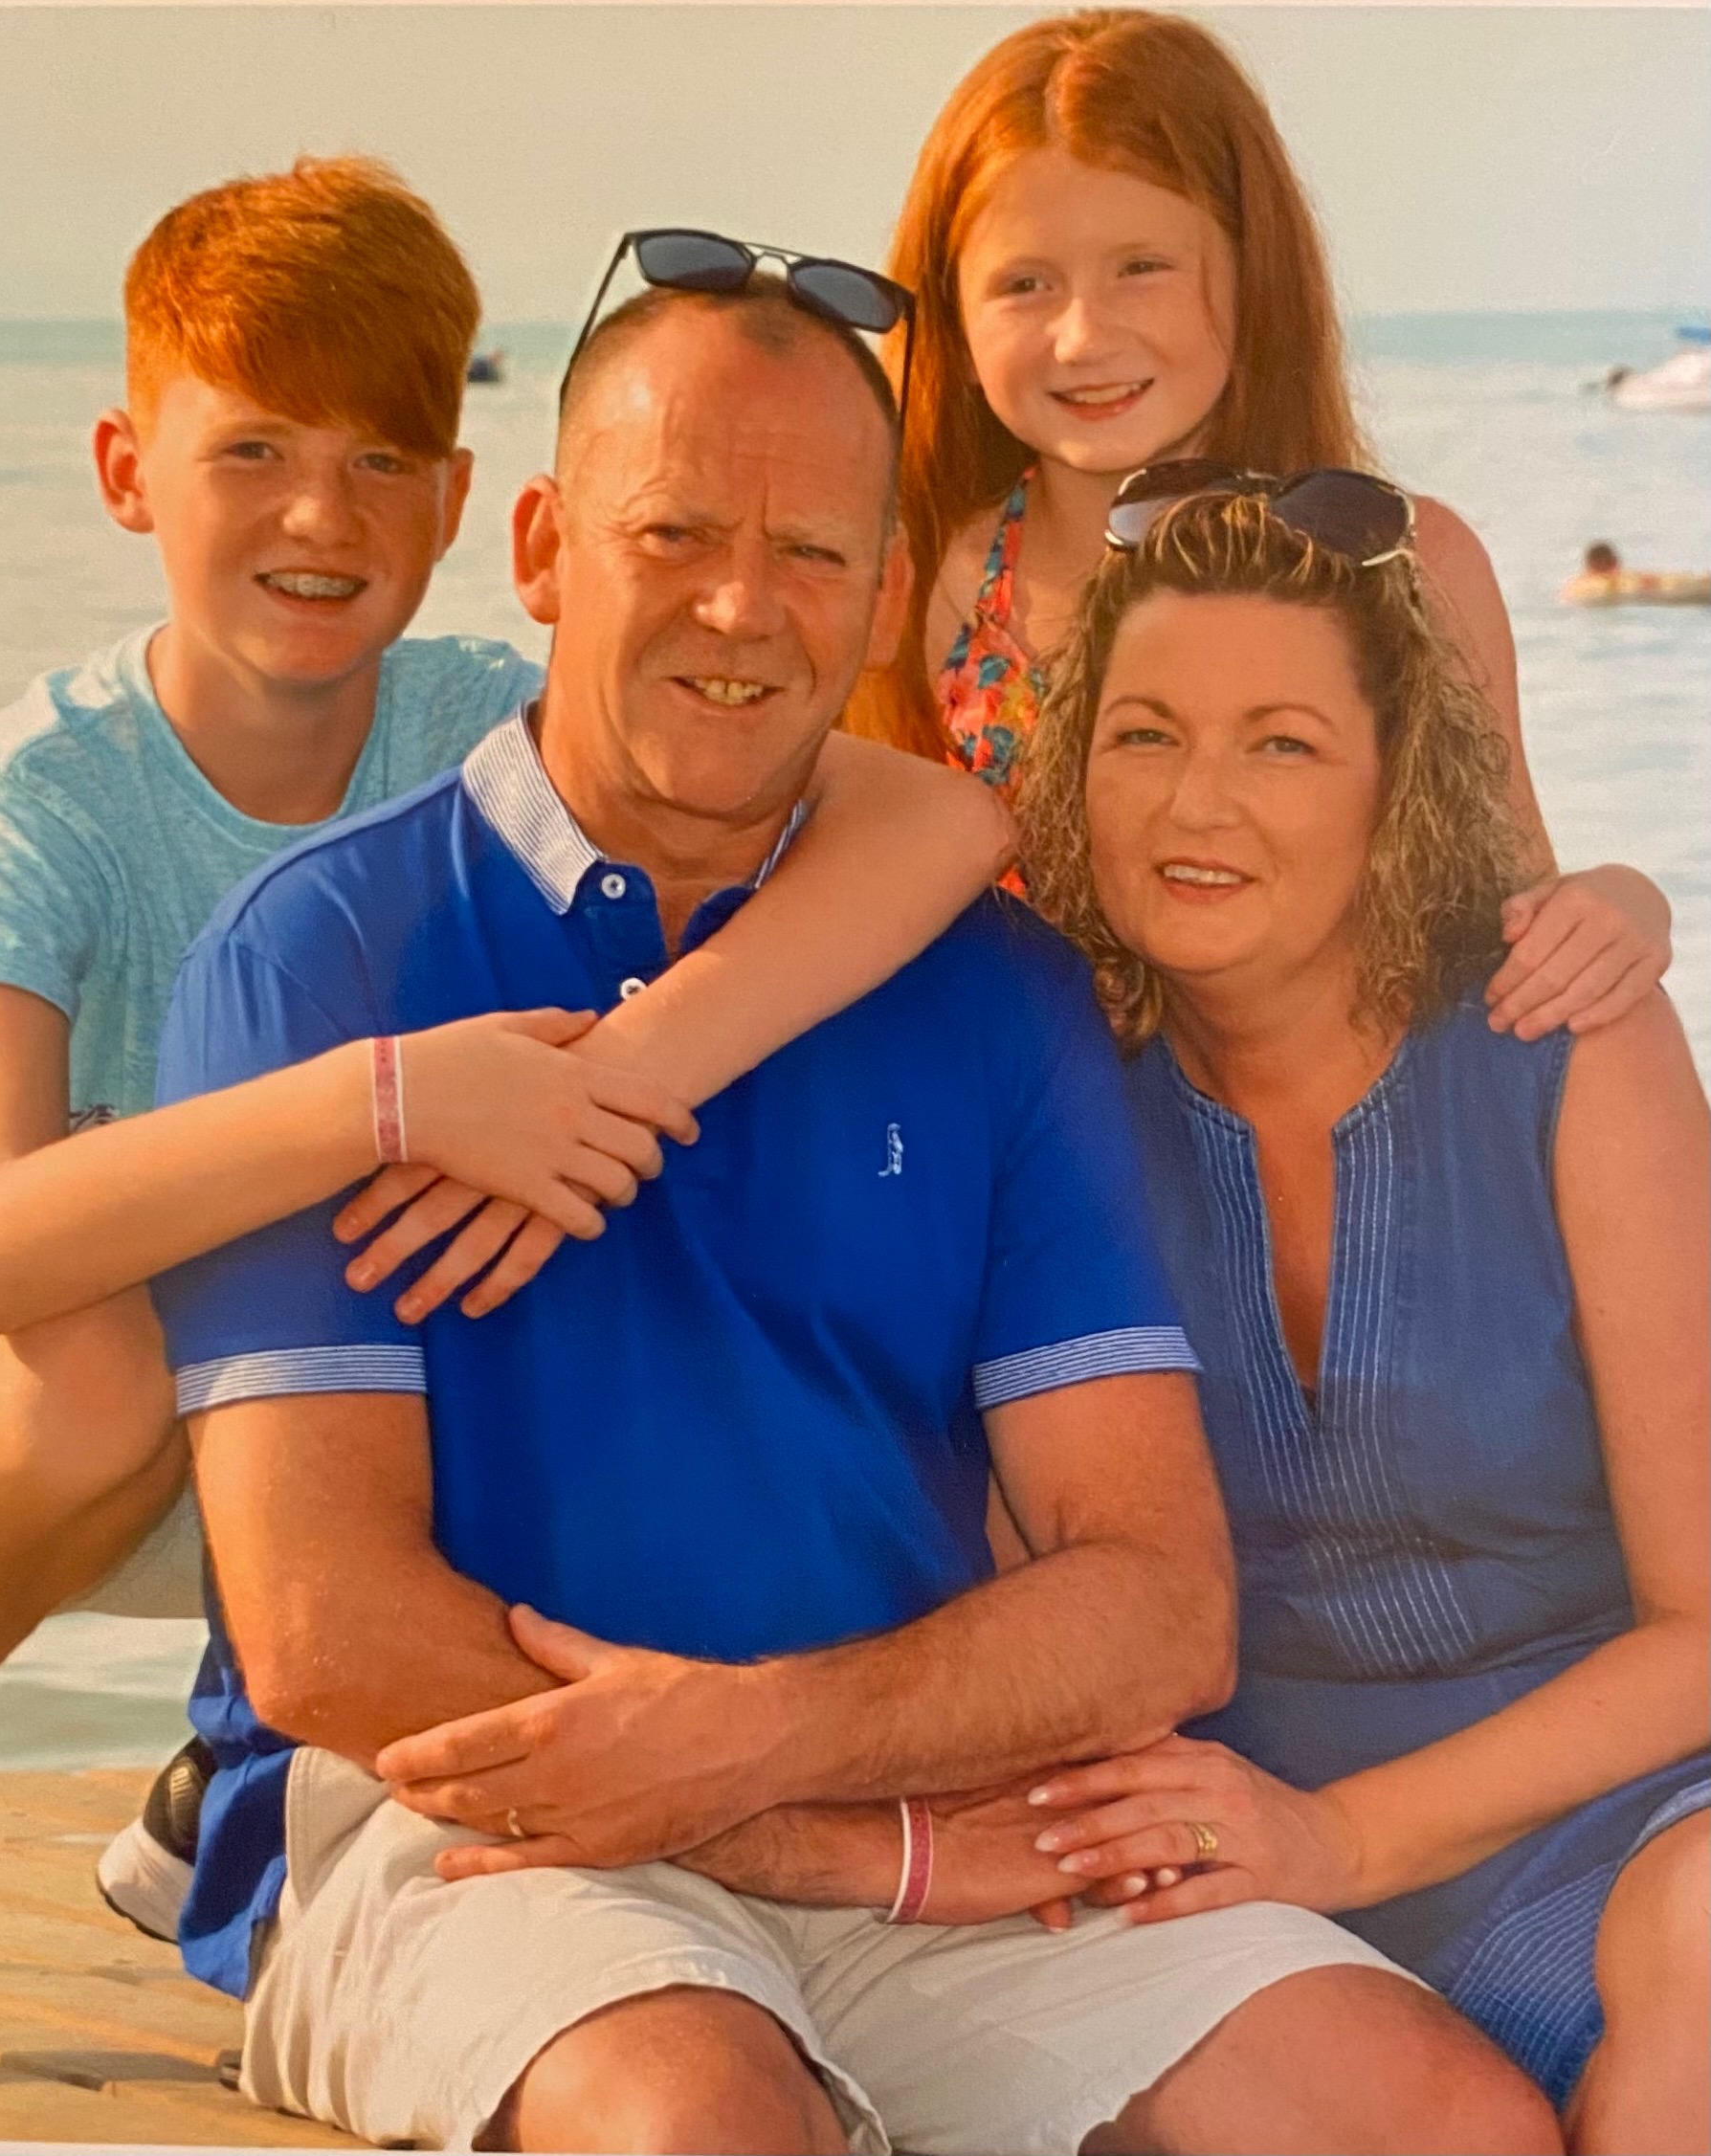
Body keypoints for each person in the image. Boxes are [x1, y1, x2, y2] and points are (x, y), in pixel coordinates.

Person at [149, 275, 1557, 2155]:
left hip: (912, 1807)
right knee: (699, 2124)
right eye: (674, 535)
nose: (743, 607)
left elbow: (1157, 1603)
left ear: (887, 598)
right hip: (461, 1816)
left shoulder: (991, 990)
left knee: (1433, 2119)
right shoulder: (319, 955)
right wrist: (743, 1799)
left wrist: (792, 1767)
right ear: (544, 547)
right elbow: (322, 1628)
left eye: (809, 551)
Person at [0, 161, 1012, 2083]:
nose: (321, 515)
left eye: (380, 459)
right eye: (252, 449)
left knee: (555, 1259)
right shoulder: (35, 790)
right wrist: (392, 1093)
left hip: (249, 1358)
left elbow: (937, 816)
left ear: (471, 505)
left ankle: (240, 1758)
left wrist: (625, 1075)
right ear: (127, 470)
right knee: (110, 1338)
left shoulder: (483, 713)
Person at [998, 481, 1707, 2153]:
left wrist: (1343, 1835)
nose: (1197, 802)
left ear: (1397, 786)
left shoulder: (1571, 1049)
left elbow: (1704, 1626)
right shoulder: (1043, 1103)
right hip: (1218, 1865)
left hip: (1615, 1820)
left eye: (1282, 744)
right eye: (1144, 734)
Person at [847, 6, 1672, 1042]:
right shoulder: (918, 585)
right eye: (1024, 283)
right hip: (1017, 1132)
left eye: (1141, 266)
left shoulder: (1409, 566)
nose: (1083, 335)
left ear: (1253, 271)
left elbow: (1510, 926)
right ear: (952, 318)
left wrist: (1624, 904)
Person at [1561, 542, 1711, 608]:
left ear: (1588, 564)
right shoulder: (1617, 579)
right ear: (1612, 561)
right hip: (1658, 594)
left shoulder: (1573, 587)